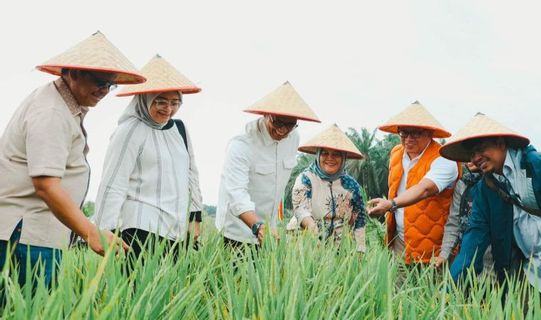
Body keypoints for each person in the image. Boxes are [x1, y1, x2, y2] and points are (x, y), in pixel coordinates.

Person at [0, 31, 143, 288]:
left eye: (111, 85)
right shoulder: (52, 112)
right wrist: (91, 232)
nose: (105, 90)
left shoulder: (61, 105)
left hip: (36, 235)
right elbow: (46, 184)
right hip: (26, 237)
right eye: (100, 81)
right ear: (73, 72)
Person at [440, 113, 541, 317]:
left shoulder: (539, 166)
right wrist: (448, 289)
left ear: (501, 143)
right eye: (472, 154)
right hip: (529, 270)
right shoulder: (485, 189)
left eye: (480, 149)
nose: (475, 158)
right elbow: (474, 239)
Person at [91, 55, 203, 261]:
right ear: (145, 99)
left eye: (175, 102)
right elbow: (114, 182)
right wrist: (106, 229)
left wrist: (195, 217)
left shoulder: (180, 129)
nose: (168, 109)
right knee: (139, 288)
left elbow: (191, 174)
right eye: (160, 101)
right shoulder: (130, 131)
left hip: (176, 228)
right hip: (141, 227)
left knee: (171, 289)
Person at [216, 81, 320, 248]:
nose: (283, 130)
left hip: (270, 232)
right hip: (236, 231)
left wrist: (267, 227)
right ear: (265, 114)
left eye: (290, 125)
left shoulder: (294, 138)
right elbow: (236, 194)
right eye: (277, 122)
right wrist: (258, 226)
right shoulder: (241, 145)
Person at [367, 101, 460, 265]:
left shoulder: (444, 159)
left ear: (430, 133)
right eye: (404, 133)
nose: (409, 139)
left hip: (434, 247)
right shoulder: (396, 153)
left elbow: (425, 189)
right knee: (397, 289)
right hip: (400, 240)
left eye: (416, 133)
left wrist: (390, 204)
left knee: (432, 289)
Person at [291, 124, 367, 252]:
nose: (330, 158)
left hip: (339, 247)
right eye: (325, 153)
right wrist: (315, 236)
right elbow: (301, 210)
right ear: (318, 155)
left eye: (336, 154)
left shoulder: (351, 185)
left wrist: (360, 249)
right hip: (306, 242)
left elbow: (360, 218)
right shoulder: (306, 179)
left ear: (343, 158)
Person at [434, 162, 493, 275]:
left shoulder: (499, 183)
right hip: (465, 255)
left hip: (492, 260)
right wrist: (444, 254)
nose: (470, 159)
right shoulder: (463, 184)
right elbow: (454, 223)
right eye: (468, 155)